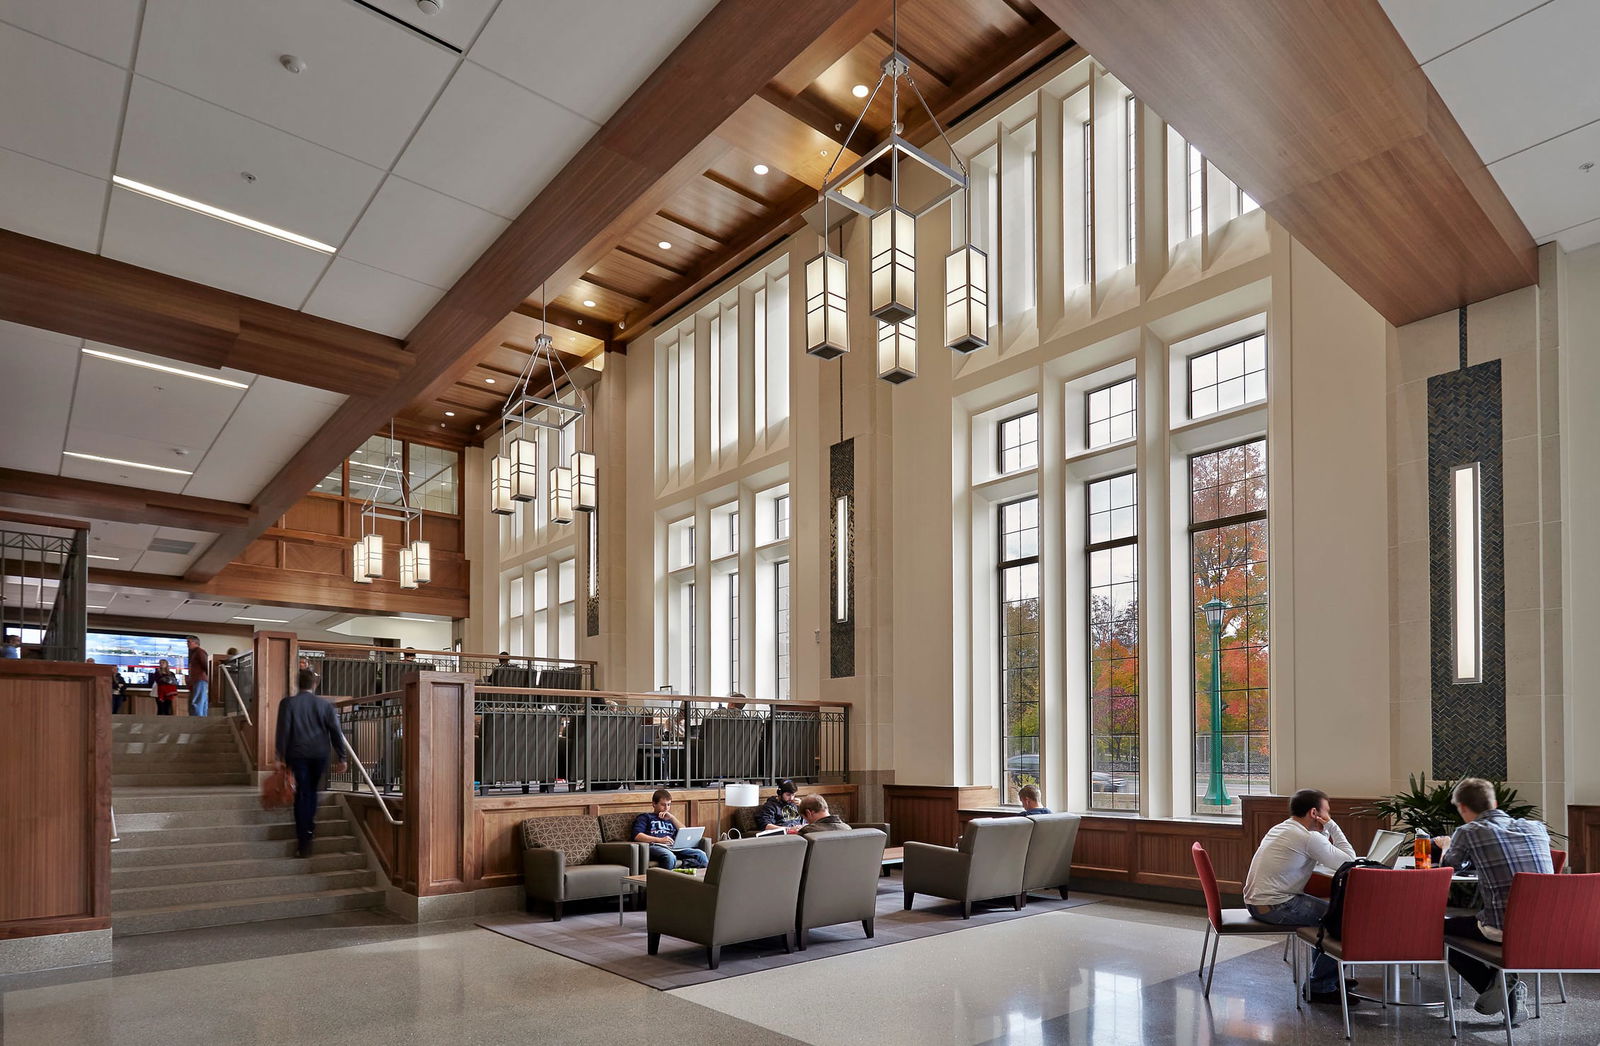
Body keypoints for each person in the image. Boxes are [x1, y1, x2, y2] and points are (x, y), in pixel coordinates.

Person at [1433, 777, 1552, 1026]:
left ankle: (1496, 983)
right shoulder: (1536, 827)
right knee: (1466, 923)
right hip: (1549, 928)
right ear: (1494, 802)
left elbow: (1448, 867)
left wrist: (1446, 845)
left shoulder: (1468, 832)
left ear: (1463, 808)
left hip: (1502, 929)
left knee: (1434, 928)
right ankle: (1504, 983)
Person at [1242, 788, 1359, 1006]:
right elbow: (1349, 860)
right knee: (1341, 920)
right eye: (1327, 812)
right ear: (1315, 813)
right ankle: (1321, 986)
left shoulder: (1285, 828)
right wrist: (1332, 826)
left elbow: (1324, 851)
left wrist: (1324, 831)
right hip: (1275, 905)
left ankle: (1327, 977)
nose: (1328, 817)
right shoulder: (1307, 837)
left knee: (1330, 915)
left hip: (1259, 903)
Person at [275, 668, 348, 858]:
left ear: (297, 683)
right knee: (313, 791)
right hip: (320, 755)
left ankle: (304, 839)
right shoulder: (325, 706)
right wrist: (342, 757)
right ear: (314, 684)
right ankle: (310, 826)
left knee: (302, 793)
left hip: (297, 754)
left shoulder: (288, 703)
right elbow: (335, 732)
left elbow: (283, 731)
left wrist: (279, 757)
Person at [632, 788, 708, 870]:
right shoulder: (645, 817)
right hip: (655, 846)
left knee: (701, 854)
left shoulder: (670, 819)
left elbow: (683, 830)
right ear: (654, 804)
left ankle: (698, 880)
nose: (666, 808)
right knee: (670, 856)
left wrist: (672, 818)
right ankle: (668, 881)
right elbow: (637, 836)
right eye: (663, 805)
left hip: (673, 847)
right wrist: (660, 840)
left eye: (668, 805)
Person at [185, 635, 210, 717]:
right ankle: (199, 719)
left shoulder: (200, 652)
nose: (187, 644)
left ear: (196, 642)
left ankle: (198, 721)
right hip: (196, 681)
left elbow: (206, 665)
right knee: (200, 702)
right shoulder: (194, 653)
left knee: (198, 702)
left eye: (189, 642)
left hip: (200, 680)